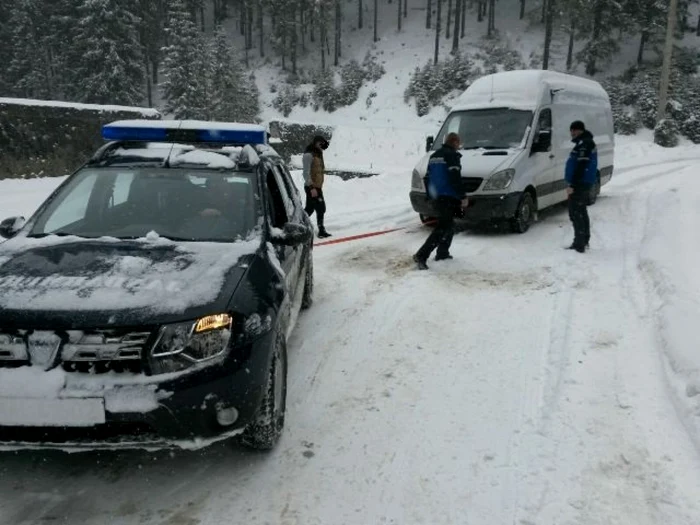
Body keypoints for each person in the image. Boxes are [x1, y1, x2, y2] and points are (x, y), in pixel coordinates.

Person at [413, 132, 469, 270]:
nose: (459, 146)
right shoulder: (452, 156)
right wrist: (463, 196)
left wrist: (429, 195)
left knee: (448, 224)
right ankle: (421, 255)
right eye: (458, 143)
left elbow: (427, 178)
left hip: (437, 196)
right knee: (443, 227)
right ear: (455, 142)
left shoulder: (434, 156)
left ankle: (443, 252)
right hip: (448, 196)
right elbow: (455, 177)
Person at [565, 120, 597, 253]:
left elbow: (581, 165)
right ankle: (583, 240)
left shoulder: (584, 144)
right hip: (582, 182)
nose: (572, 133)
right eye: (571, 130)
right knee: (581, 211)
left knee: (576, 213)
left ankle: (579, 244)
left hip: (580, 183)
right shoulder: (583, 143)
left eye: (574, 130)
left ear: (580, 130)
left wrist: (573, 184)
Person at [302, 135, 331, 238]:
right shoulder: (308, 155)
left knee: (310, 208)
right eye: (320, 143)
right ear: (316, 143)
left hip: (317, 187)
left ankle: (299, 225)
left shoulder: (318, 154)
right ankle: (321, 230)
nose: (322, 146)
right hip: (312, 187)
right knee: (320, 208)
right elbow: (305, 173)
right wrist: (312, 188)